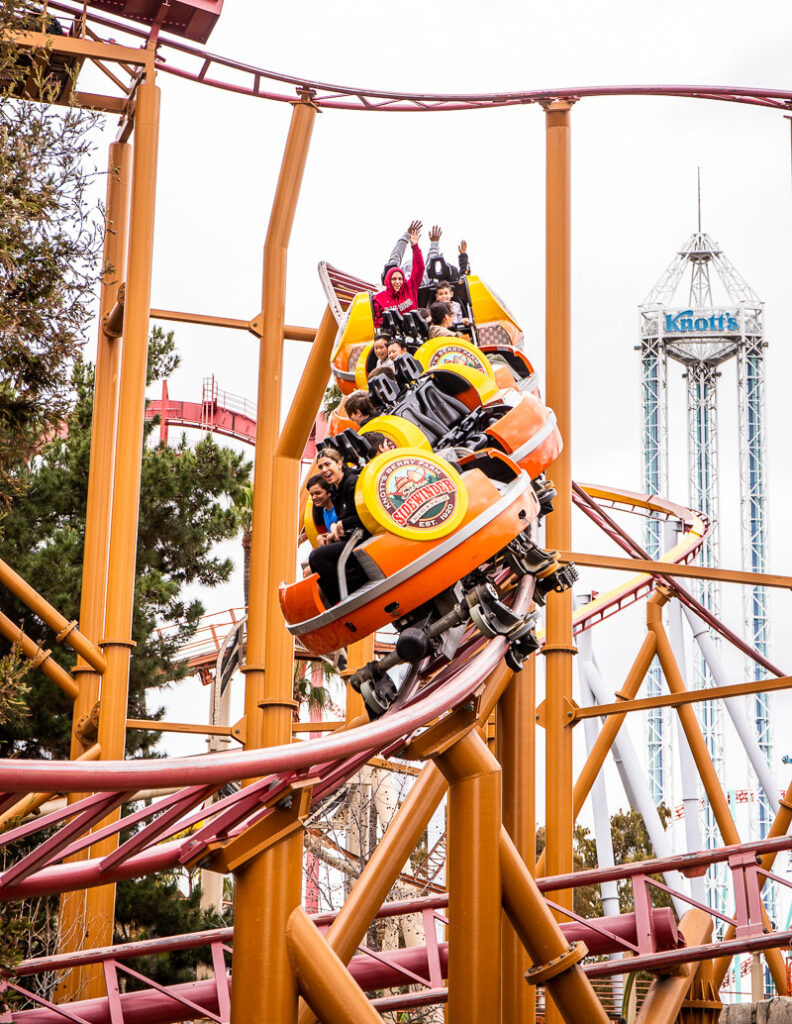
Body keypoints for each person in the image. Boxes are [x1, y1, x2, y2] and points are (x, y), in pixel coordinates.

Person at [308, 448, 369, 606]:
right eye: (321, 467)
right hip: (350, 535)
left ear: (339, 462)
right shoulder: (336, 489)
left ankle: (341, 599)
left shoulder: (351, 482)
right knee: (316, 558)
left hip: (362, 536)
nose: (324, 470)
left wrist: (342, 524)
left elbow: (364, 515)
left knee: (318, 557)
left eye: (328, 464)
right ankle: (339, 598)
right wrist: (333, 532)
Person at [372, 225, 425, 327]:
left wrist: (415, 246)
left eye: (400, 279)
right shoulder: (379, 299)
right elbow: (377, 323)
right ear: (388, 280)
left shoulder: (410, 288)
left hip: (414, 333)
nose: (397, 282)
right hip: (394, 336)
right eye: (394, 279)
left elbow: (419, 268)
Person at [305, 474, 337, 544]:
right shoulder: (324, 511)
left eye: (317, 493)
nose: (314, 497)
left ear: (329, 493)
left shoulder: (338, 509)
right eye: (312, 495)